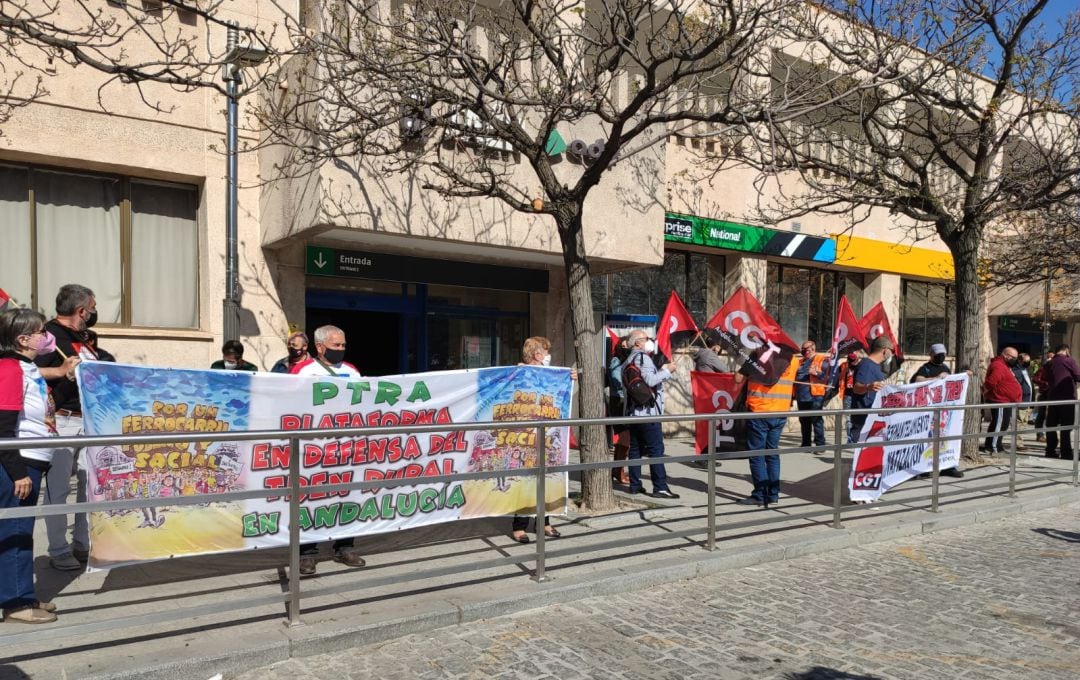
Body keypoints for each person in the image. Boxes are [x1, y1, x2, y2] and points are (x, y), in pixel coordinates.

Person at [0, 308, 62, 623]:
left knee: (21, 531)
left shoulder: (28, 367)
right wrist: (18, 472)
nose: (45, 335)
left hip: (33, 459)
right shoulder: (11, 368)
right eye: (40, 331)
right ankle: (15, 603)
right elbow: (3, 426)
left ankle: (22, 593)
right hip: (20, 462)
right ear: (23, 339)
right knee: (16, 531)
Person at [289, 325, 366, 574]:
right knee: (311, 498)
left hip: (346, 447)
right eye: (336, 346)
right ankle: (307, 552)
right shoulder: (304, 371)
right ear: (320, 347)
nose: (341, 350)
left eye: (344, 345)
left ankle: (344, 546)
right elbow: (289, 402)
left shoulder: (352, 372)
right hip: (315, 448)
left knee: (347, 496)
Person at [33, 284, 97, 571]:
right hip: (62, 419)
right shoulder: (47, 336)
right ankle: (58, 548)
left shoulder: (84, 338)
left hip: (89, 420)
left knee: (87, 484)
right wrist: (61, 371)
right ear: (81, 310)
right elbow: (29, 370)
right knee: (58, 487)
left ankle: (82, 543)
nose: (93, 314)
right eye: (92, 309)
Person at [510, 336, 568, 543]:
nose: (548, 356)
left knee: (546, 479)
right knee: (526, 481)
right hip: (525, 436)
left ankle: (544, 522)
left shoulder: (552, 375)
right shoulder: (520, 373)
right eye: (546, 352)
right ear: (537, 355)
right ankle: (520, 525)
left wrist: (569, 380)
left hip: (546, 437)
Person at [733, 348, 798, 507]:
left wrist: (743, 362)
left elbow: (737, 378)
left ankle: (759, 495)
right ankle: (773, 495)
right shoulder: (793, 358)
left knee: (757, 455)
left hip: (760, 411)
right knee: (772, 453)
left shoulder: (758, 356)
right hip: (780, 412)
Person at [622, 330, 680, 499]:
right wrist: (668, 371)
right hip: (648, 412)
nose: (649, 341)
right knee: (656, 450)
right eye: (646, 339)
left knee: (635, 449)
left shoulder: (627, 360)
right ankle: (660, 487)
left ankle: (635, 485)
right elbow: (651, 381)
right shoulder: (643, 358)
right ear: (638, 343)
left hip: (633, 413)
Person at [911, 345, 964, 478]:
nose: (941, 356)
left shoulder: (945, 368)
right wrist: (936, 379)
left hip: (944, 411)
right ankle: (924, 468)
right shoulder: (925, 368)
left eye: (943, 354)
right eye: (937, 354)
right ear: (931, 354)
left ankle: (948, 466)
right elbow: (917, 380)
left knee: (946, 438)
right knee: (928, 440)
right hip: (928, 412)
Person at [849, 336, 894, 443]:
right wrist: (868, 387)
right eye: (892, 351)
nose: (892, 354)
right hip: (863, 418)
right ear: (885, 350)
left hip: (873, 417)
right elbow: (856, 387)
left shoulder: (876, 366)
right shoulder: (866, 365)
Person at [1041, 345, 1080, 460]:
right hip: (1067, 398)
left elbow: (1045, 378)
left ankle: (1050, 450)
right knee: (1066, 427)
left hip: (1053, 398)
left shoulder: (1049, 363)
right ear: (1066, 350)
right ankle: (1066, 452)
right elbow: (1078, 376)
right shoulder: (1068, 361)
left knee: (1051, 425)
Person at [981, 347, 1022, 455]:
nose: (1015, 360)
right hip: (1000, 400)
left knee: (1002, 424)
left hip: (1005, 400)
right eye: (1013, 357)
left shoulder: (1004, 366)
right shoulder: (999, 365)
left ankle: (995, 445)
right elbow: (991, 382)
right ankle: (993, 447)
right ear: (1006, 355)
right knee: (999, 424)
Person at [794, 340, 831, 449]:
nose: (803, 351)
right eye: (802, 349)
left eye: (805, 349)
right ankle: (806, 444)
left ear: (813, 348)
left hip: (815, 395)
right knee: (804, 421)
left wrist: (817, 373)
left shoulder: (822, 359)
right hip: (801, 396)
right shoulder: (800, 361)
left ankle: (820, 445)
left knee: (816, 420)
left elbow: (828, 377)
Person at [607, 336, 631, 485]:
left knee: (625, 439)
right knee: (625, 437)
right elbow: (617, 381)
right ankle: (618, 470)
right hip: (619, 401)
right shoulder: (616, 361)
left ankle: (617, 469)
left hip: (626, 400)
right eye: (625, 346)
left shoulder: (628, 361)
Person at [1012, 352, 1033, 443]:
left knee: (1023, 423)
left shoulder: (1025, 370)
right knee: (1019, 424)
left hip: (1028, 401)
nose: (1028, 362)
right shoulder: (1016, 371)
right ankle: (1018, 443)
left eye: (1029, 361)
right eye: (1026, 361)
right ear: (1020, 361)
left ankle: (1019, 442)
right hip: (1022, 401)